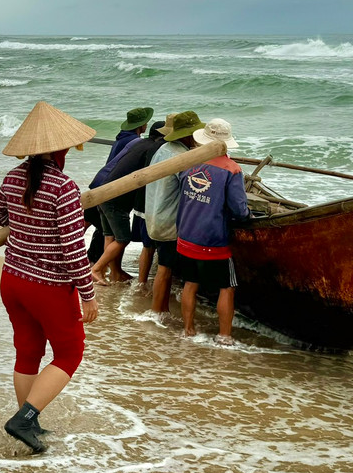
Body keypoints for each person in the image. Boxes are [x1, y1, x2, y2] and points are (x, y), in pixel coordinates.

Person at [0, 102, 99, 453]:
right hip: (48, 287)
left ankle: (28, 424)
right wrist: (88, 294)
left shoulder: (13, 177)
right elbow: (73, 249)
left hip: (12, 280)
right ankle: (24, 419)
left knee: (29, 351)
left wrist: (26, 224)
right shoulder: (64, 187)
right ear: (62, 150)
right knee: (70, 353)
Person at [176, 119, 248, 344]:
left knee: (190, 283)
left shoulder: (189, 162)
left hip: (185, 235)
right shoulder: (232, 169)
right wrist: (247, 216)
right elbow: (239, 210)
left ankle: (188, 330)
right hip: (213, 240)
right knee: (227, 287)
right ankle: (224, 336)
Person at [143, 111, 204, 315]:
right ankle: (156, 312)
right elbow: (191, 188)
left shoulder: (164, 149)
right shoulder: (181, 157)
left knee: (165, 266)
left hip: (155, 214)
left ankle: (163, 309)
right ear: (189, 135)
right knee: (165, 268)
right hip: (168, 220)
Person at [97, 118, 168, 289]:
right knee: (123, 239)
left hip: (103, 190)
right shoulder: (154, 149)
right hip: (117, 198)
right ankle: (97, 269)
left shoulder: (139, 143)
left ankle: (114, 273)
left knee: (110, 236)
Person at [88, 106, 154, 283]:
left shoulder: (122, 138)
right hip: (113, 190)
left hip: (101, 185)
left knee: (107, 233)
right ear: (142, 125)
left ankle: (113, 271)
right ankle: (97, 267)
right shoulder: (135, 142)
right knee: (119, 236)